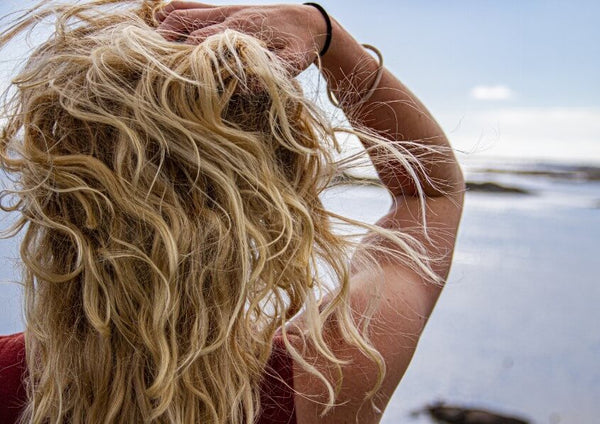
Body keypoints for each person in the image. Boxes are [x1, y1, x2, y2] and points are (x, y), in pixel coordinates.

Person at [0, 1, 464, 423]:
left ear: (52, 193)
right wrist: (328, 38)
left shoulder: (7, 377)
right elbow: (429, 193)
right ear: (265, 208)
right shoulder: (324, 380)